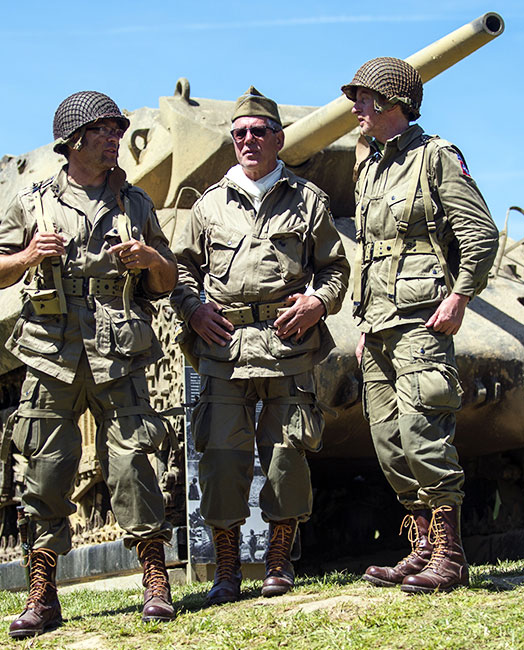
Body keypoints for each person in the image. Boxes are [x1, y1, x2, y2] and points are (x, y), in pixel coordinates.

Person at [0, 91, 179, 637]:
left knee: (134, 461)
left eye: (117, 129)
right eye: (106, 130)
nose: (116, 138)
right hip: (51, 351)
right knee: (44, 467)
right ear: (76, 139)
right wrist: (29, 256)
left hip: (119, 350)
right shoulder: (33, 200)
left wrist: (151, 259)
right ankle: (42, 594)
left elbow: (165, 281)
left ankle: (155, 580)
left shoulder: (135, 204)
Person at [171, 87, 349, 605]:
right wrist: (192, 308)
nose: (248, 141)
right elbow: (183, 270)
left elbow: (335, 269)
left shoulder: (308, 200)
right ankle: (227, 569)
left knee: (286, 457)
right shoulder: (207, 207)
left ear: (278, 138)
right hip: (223, 348)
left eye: (258, 132)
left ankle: (277, 563)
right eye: (239, 133)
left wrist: (318, 302)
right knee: (223, 462)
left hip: (287, 344)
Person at [341, 58, 498, 594]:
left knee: (424, 433)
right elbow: (371, 254)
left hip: (420, 319)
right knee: (389, 443)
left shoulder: (436, 158)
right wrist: (362, 322)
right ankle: (424, 545)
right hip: (378, 324)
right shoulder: (371, 167)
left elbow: (480, 233)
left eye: (362, 98)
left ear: (388, 103)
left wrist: (460, 297)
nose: (354, 107)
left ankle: (450, 557)